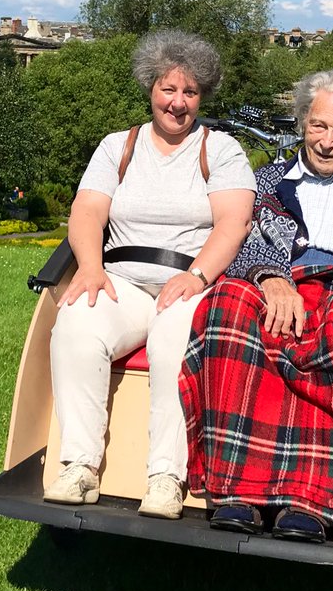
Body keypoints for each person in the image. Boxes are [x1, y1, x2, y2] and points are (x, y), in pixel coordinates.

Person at [179, 68, 333, 542]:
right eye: (319, 126)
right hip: (278, 276)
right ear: (304, 121)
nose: (328, 142)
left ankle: (312, 498)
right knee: (226, 303)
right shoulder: (267, 179)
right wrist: (271, 277)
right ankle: (237, 491)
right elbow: (243, 239)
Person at [45, 30, 256, 520]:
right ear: (150, 88)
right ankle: (79, 465)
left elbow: (234, 220)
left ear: (202, 97)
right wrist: (92, 269)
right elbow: (87, 212)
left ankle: (165, 475)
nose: (178, 103)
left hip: (188, 279)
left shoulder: (219, 150)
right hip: (121, 278)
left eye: (190, 92)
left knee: (173, 343)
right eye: (168, 89)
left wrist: (199, 276)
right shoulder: (118, 146)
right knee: (76, 321)